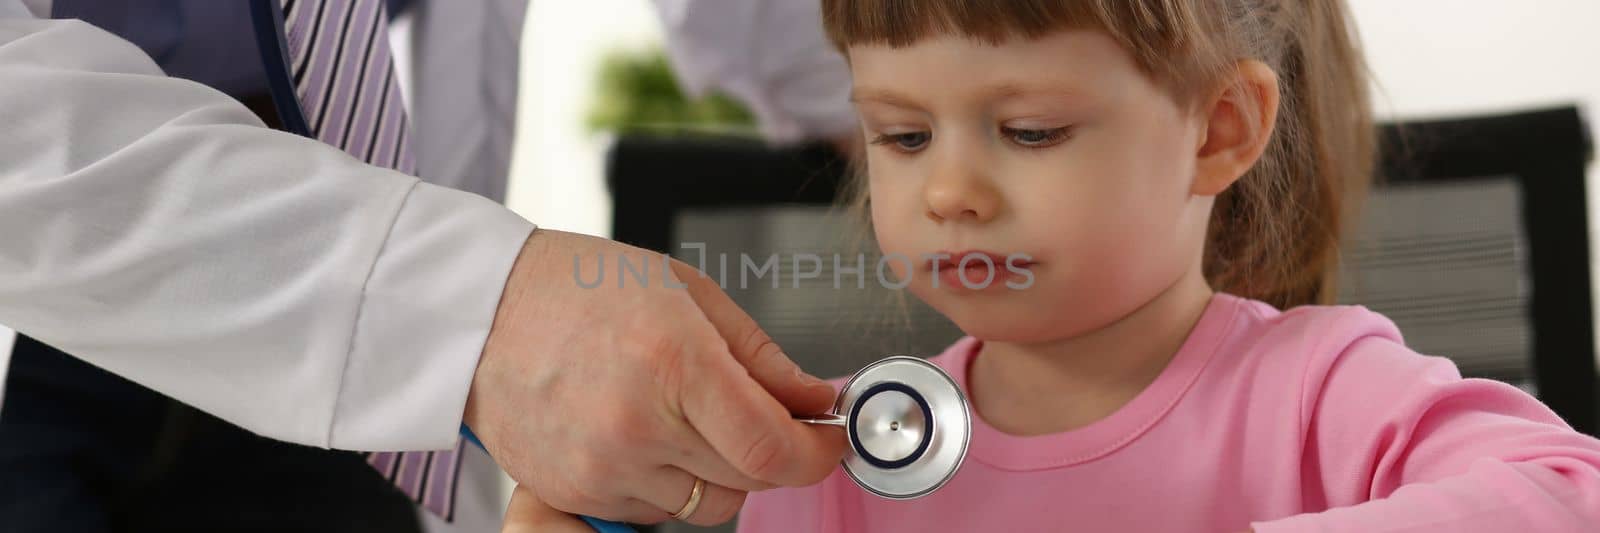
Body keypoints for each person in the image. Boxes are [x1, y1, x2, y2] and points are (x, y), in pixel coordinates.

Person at [511, 0, 1600, 531]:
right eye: (901, 136)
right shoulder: (844, 458)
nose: (949, 192)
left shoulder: (1322, 392)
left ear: (1217, 129)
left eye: (1028, 131)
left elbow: (1567, 489)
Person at [0, 0, 845, 530]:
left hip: (355, 357)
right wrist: (479, 315)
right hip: (42, 313)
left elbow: (821, 41)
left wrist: (908, 109)